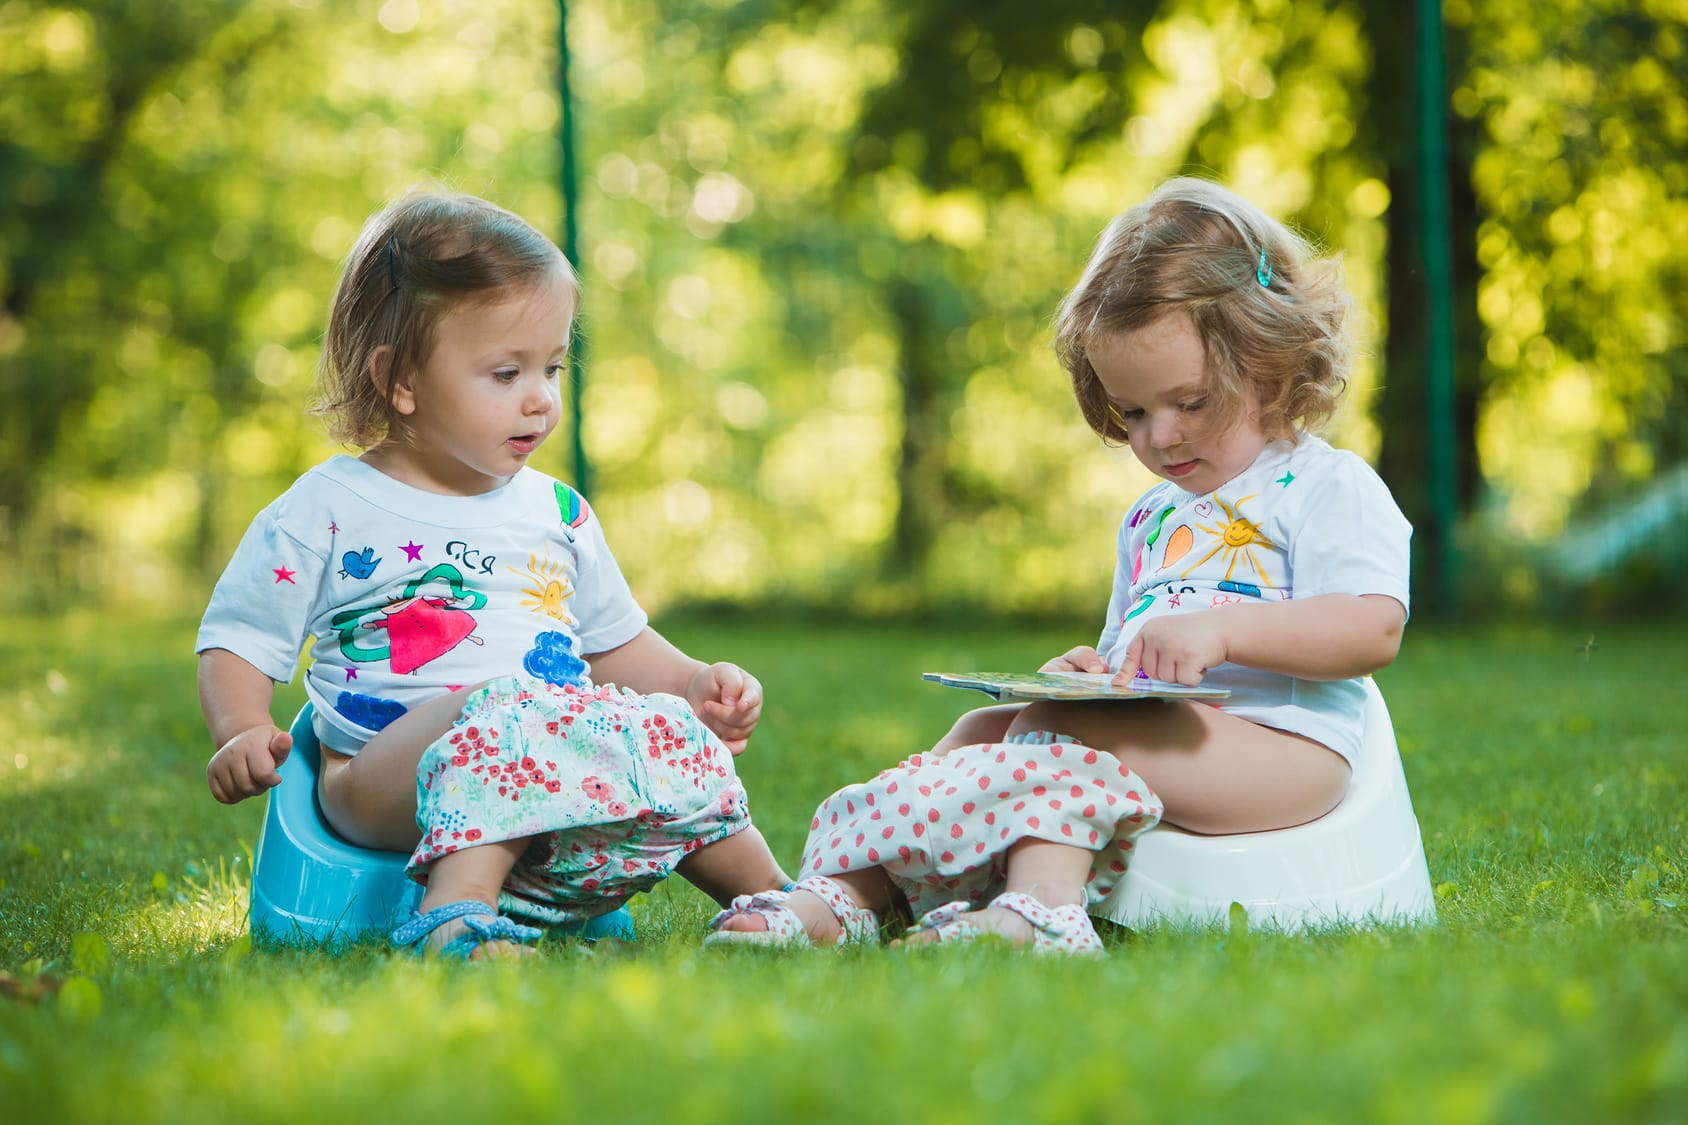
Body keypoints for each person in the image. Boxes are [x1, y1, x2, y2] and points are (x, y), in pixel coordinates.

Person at [708, 177, 1411, 953]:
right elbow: (1134, 659)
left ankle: (1040, 913)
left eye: (1190, 401)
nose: (1160, 437)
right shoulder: (1152, 517)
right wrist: (1091, 672)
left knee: (1059, 727)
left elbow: (1371, 628)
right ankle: (845, 894)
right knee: (983, 726)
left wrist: (1223, 631)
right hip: (1178, 739)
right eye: (1134, 412)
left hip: (1286, 750)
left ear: (1268, 359)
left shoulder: (1324, 484)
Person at [197, 190, 789, 958]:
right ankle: (455, 916)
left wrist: (693, 685)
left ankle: (776, 899)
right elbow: (239, 635)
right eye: (506, 372)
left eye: (552, 366)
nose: (541, 398)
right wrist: (242, 728)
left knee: (664, 733)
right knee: (502, 710)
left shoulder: (558, 511)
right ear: (401, 379)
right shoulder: (329, 507)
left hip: (550, 759)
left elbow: (612, 645)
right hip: (381, 781)